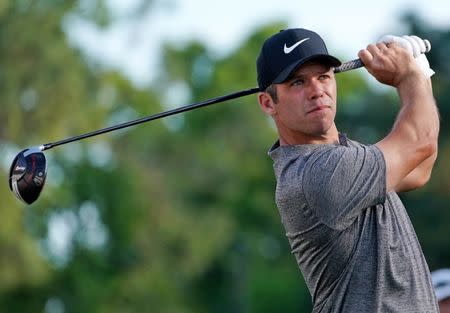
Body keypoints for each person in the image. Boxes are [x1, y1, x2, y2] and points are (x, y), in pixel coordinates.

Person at [256, 28, 440, 312]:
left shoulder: (348, 155)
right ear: (268, 102)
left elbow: (420, 168)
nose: (317, 91)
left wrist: (419, 74)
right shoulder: (314, 174)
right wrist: (410, 76)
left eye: (324, 76)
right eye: (297, 82)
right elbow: (420, 142)